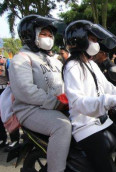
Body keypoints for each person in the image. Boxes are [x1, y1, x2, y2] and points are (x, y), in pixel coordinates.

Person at [62, 20, 116, 172]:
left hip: (101, 119)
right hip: (85, 125)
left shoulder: (91, 64)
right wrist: (112, 99)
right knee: (104, 167)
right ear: (80, 41)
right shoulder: (72, 67)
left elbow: (108, 88)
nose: (96, 44)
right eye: (92, 40)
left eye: (96, 40)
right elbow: (78, 102)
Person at [8, 15, 71, 172]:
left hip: (56, 106)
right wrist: (56, 103)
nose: (49, 38)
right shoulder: (21, 59)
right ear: (31, 35)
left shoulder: (54, 61)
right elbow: (25, 91)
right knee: (62, 126)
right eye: (44, 34)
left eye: (50, 35)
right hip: (30, 110)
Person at [93, 44, 116, 129]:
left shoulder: (112, 67)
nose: (95, 55)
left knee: (113, 128)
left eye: (97, 53)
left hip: (111, 106)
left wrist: (114, 104)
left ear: (103, 53)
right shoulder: (95, 65)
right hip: (100, 104)